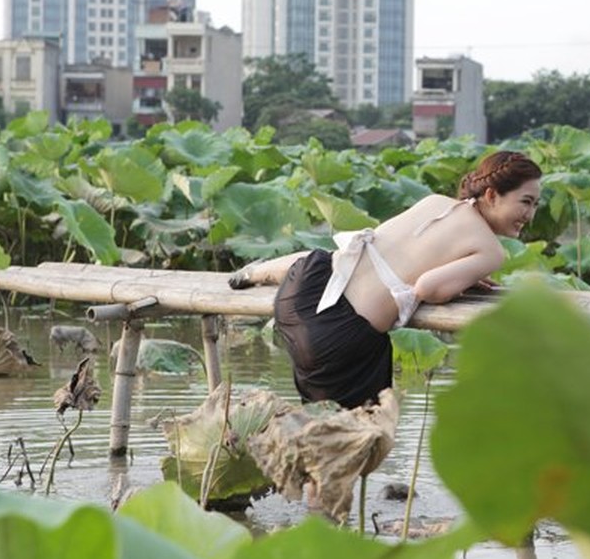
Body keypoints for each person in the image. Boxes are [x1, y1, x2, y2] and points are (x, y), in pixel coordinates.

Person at [228, 150, 543, 409]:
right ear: (492, 195)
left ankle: (258, 271)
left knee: (329, 257)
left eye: (536, 204)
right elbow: (427, 289)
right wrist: (464, 280)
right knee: (350, 443)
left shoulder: (436, 202)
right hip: (337, 337)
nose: (530, 215)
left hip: (301, 291)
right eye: (526, 202)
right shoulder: (491, 251)